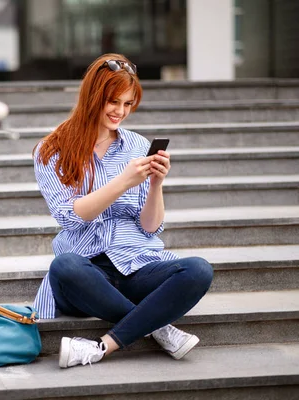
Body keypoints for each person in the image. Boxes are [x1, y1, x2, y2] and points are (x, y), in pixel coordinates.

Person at [32, 53, 213, 368]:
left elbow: (150, 228)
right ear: (93, 97)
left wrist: (156, 184)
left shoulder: (136, 145)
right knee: (65, 266)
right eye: (113, 102)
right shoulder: (52, 149)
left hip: (137, 265)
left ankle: (101, 347)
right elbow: (69, 216)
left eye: (128, 104)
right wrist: (124, 181)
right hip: (86, 273)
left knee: (199, 270)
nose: (120, 112)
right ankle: (157, 326)